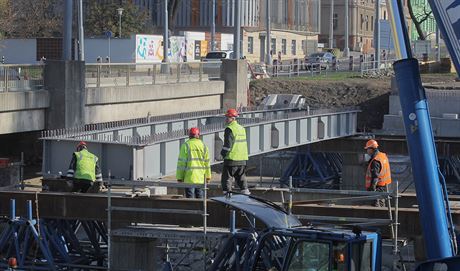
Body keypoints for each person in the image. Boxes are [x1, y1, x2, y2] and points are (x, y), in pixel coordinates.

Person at [221, 109, 250, 195]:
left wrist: (222, 155)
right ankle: (246, 195)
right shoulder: (242, 128)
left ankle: (227, 197)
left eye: (227, 117)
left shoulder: (229, 129)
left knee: (227, 179)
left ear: (233, 118)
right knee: (241, 179)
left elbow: (227, 146)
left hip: (231, 159)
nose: (226, 119)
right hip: (242, 159)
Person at [176, 127, 211, 198]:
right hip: (200, 178)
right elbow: (207, 163)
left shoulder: (186, 145)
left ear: (189, 135)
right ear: (198, 135)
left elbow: (181, 163)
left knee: (190, 200)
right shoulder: (204, 146)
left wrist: (180, 177)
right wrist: (208, 176)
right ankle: (201, 209)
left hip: (189, 178)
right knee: (200, 198)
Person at [364, 139, 392, 206]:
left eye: (367, 149)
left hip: (378, 187)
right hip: (385, 185)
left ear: (371, 149)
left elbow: (375, 177)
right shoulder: (383, 156)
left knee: (377, 205)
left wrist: (373, 191)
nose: (367, 151)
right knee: (381, 204)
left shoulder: (375, 161)